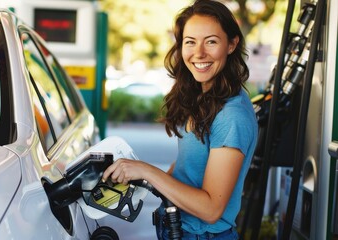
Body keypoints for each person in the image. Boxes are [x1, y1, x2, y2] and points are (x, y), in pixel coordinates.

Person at [102, 0, 258, 239]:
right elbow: (185, 168)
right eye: (190, 42)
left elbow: (211, 209)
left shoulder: (231, 115)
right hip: (177, 228)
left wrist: (146, 171)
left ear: (232, 44)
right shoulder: (204, 97)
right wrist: (135, 175)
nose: (199, 53)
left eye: (211, 41)